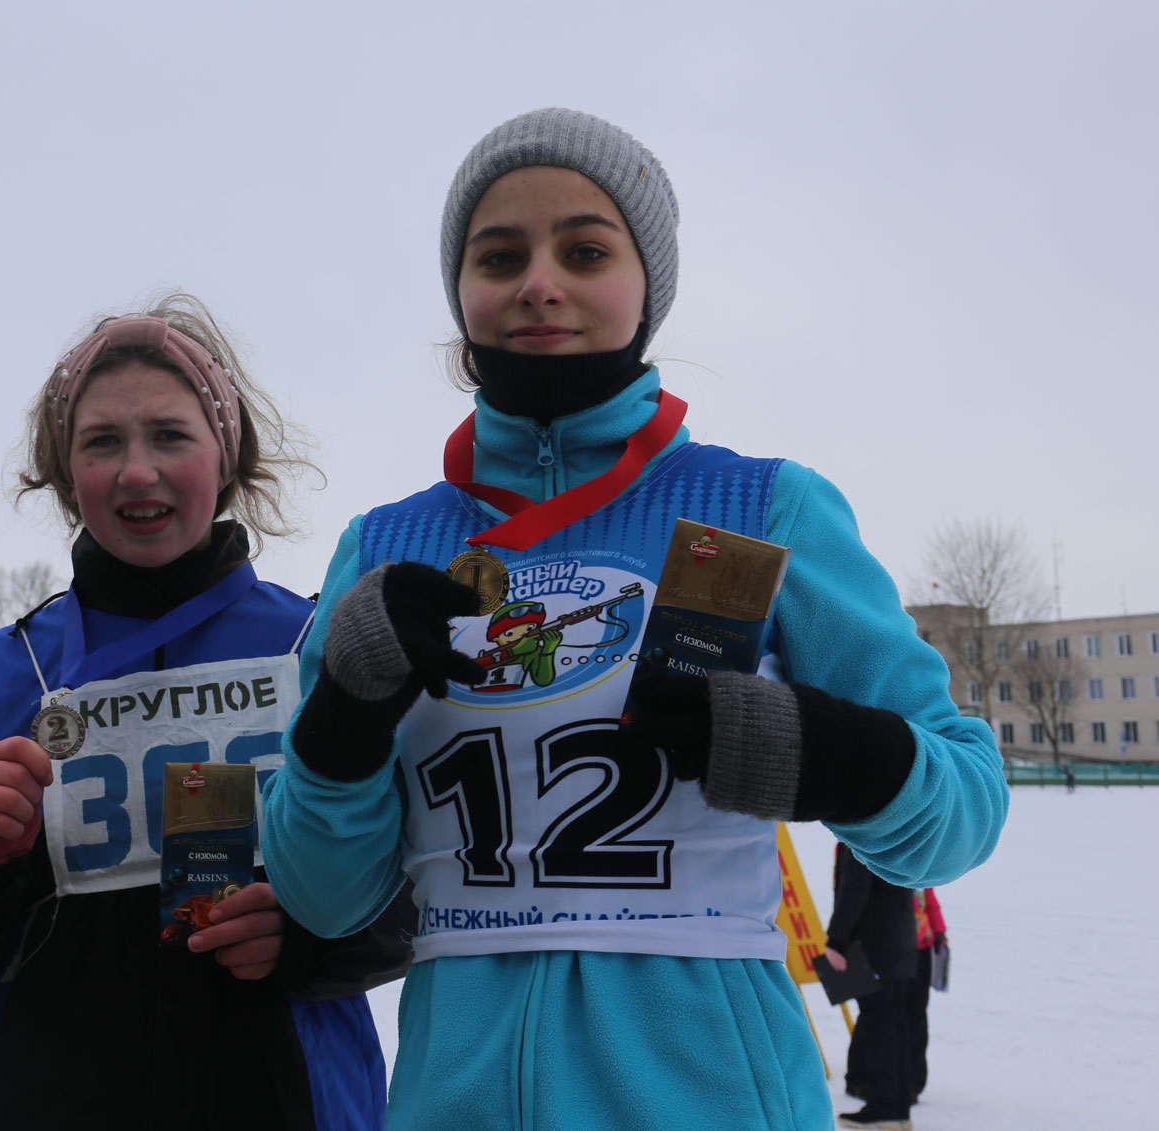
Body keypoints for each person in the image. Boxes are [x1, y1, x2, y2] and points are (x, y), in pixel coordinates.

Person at [260, 107, 1009, 1131]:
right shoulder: (384, 548)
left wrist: (827, 752)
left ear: (647, 282)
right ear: (460, 290)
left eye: (584, 251)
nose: (539, 284)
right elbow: (324, 898)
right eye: (499, 256)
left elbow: (963, 809)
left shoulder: (766, 508)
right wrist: (343, 719)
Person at [0, 293, 412, 1131]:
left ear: (225, 455)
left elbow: (424, 892)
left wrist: (310, 938)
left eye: (169, 435)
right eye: (102, 442)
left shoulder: (316, 654)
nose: (135, 470)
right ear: (65, 472)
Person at [825, 844, 919, 1129]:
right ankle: (899, 1108)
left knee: (878, 1025)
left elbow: (854, 890)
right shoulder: (895, 832)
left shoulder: (858, 835)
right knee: (896, 1024)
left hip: (875, 943)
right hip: (902, 939)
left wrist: (836, 939)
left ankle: (884, 1107)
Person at [908, 886, 948, 1101]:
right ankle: (908, 1079)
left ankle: (915, 1079)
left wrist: (940, 933)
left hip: (921, 948)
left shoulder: (921, 875)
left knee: (916, 1016)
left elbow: (930, 900)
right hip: (900, 947)